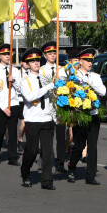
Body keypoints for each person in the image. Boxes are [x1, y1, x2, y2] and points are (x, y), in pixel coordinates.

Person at [66, 48, 106, 185]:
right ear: (80, 61)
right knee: (79, 144)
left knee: (92, 145)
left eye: (91, 60)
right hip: (80, 115)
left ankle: (90, 176)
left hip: (93, 114)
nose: (90, 63)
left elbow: (103, 91)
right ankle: (71, 168)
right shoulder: (74, 76)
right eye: (87, 60)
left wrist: (90, 84)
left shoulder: (95, 76)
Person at [19, 48, 56, 190]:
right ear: (27, 64)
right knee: (32, 150)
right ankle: (25, 171)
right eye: (32, 61)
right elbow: (29, 97)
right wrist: (48, 87)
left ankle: (47, 180)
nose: (36, 62)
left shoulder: (47, 78)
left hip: (47, 118)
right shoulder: (25, 81)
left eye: (37, 60)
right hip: (33, 119)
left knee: (47, 152)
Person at [39, 41, 67, 173]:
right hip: (47, 107)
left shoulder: (62, 70)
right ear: (45, 55)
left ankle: (60, 162)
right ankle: (45, 160)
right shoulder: (41, 71)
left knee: (61, 137)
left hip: (60, 107)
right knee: (47, 137)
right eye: (50, 53)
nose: (53, 55)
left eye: (54, 53)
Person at [0, 44, 21, 165]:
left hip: (13, 103)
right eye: (4, 54)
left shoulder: (15, 71)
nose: (7, 56)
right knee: (0, 131)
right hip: (0, 105)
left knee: (13, 131)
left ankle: (12, 157)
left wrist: (13, 81)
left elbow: (20, 88)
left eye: (9, 54)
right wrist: (4, 107)